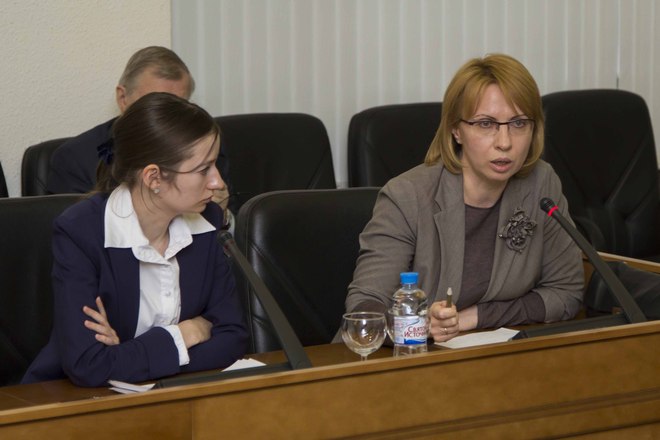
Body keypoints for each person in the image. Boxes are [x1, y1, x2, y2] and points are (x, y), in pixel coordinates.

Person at [345, 54, 584, 343]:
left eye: (519, 123)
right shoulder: (406, 196)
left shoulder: (541, 183)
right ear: (456, 130)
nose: (505, 142)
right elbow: (364, 311)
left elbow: (567, 293)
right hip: (404, 360)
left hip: (493, 356)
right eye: (485, 124)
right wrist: (419, 326)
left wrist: (474, 317)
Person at [23, 92, 248, 387]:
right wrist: (187, 333)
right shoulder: (80, 232)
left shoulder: (208, 221)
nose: (218, 182)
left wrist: (126, 356)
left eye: (215, 164)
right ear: (153, 178)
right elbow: (88, 365)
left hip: (173, 395)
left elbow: (233, 338)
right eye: (203, 169)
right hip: (73, 401)